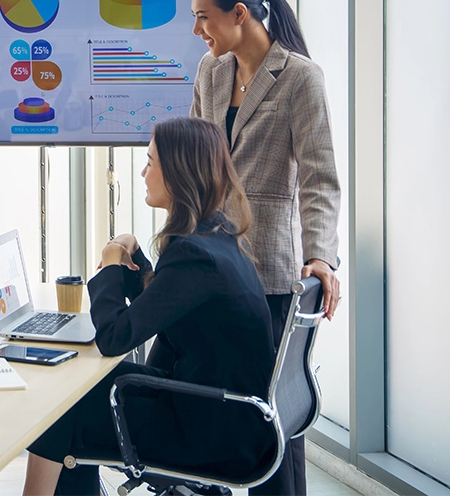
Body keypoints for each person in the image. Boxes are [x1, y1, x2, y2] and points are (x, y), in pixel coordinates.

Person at [22, 117, 277, 496]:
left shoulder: (195, 253)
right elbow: (168, 308)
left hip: (210, 431)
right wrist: (136, 256)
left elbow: (115, 337)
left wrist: (111, 264)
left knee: (58, 411)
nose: (143, 173)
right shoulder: (214, 236)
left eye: (150, 162)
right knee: (73, 396)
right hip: (225, 416)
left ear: (176, 174)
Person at [189, 0, 343, 495]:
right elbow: (193, 166)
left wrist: (322, 256)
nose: (196, 31)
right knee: (211, 406)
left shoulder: (299, 77)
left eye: (203, 17)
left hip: (271, 275)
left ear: (240, 14)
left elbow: (320, 178)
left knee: (270, 422)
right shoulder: (210, 73)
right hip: (210, 267)